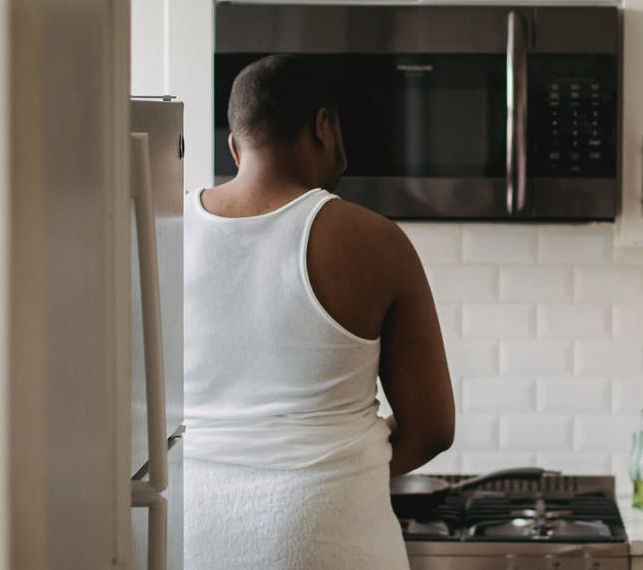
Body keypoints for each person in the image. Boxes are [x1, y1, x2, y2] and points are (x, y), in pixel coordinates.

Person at [183, 54, 455, 569]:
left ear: (235, 146)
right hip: (325, 532)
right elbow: (433, 428)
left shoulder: (164, 229)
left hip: (190, 530)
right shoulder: (373, 240)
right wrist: (342, 464)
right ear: (323, 126)